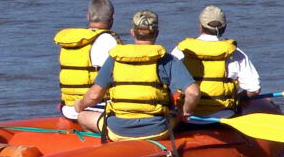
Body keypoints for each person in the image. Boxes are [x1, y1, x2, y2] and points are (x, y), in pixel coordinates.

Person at [72, 9, 199, 141]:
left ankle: (106, 152)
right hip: (158, 130)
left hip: (118, 130)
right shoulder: (168, 59)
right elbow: (193, 93)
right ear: (156, 33)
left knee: (83, 116)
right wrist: (185, 111)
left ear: (132, 32)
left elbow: (94, 96)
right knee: (176, 113)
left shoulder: (115, 59)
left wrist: (80, 105)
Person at [170, 5, 263, 118]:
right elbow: (254, 89)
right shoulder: (235, 53)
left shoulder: (182, 50)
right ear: (224, 28)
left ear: (201, 27)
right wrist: (241, 97)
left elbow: (166, 80)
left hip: (188, 115)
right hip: (224, 115)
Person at [54, 0, 121, 132]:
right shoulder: (108, 41)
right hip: (95, 108)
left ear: (88, 16)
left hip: (68, 109)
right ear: (112, 16)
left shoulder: (73, 41)